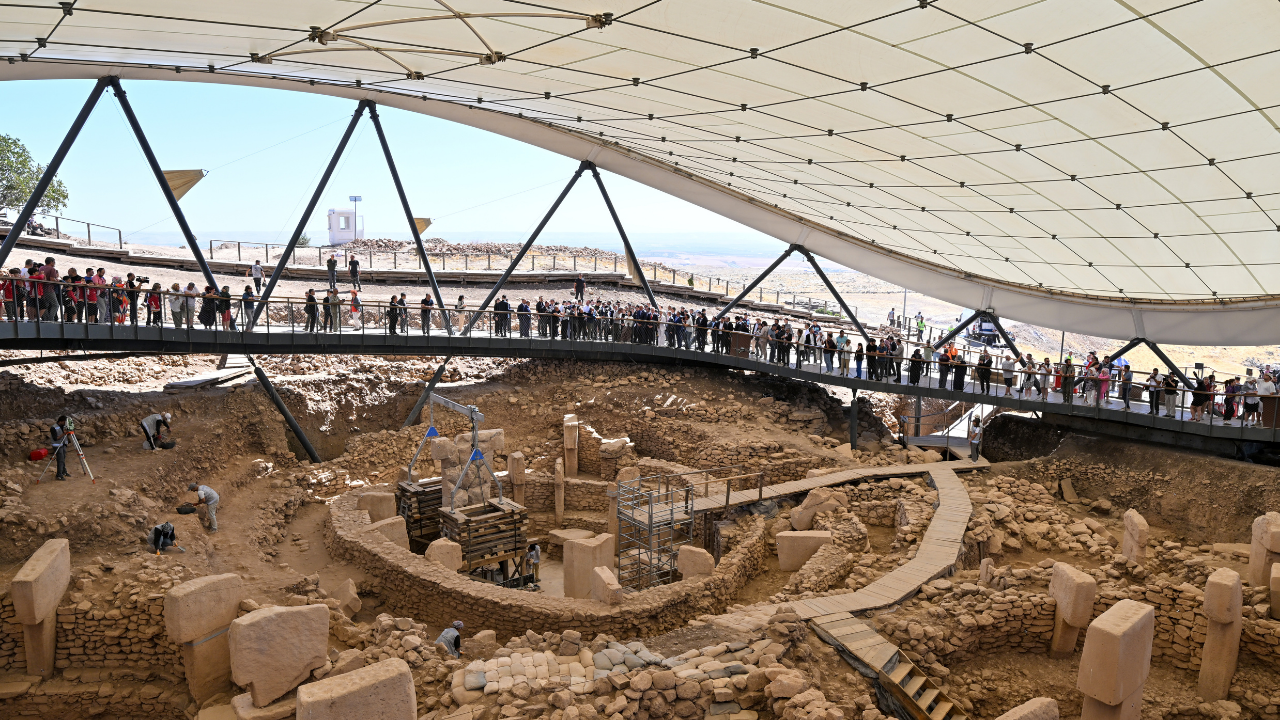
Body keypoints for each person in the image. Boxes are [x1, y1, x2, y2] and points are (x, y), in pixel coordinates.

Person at [50, 416, 69, 481]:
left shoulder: (64, 427)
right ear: (61, 421)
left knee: (63, 458)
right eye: (64, 422)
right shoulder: (53, 427)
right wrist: (63, 434)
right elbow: (55, 438)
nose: (65, 423)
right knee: (60, 459)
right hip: (57, 445)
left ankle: (64, 471)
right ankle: (59, 475)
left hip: (63, 444)